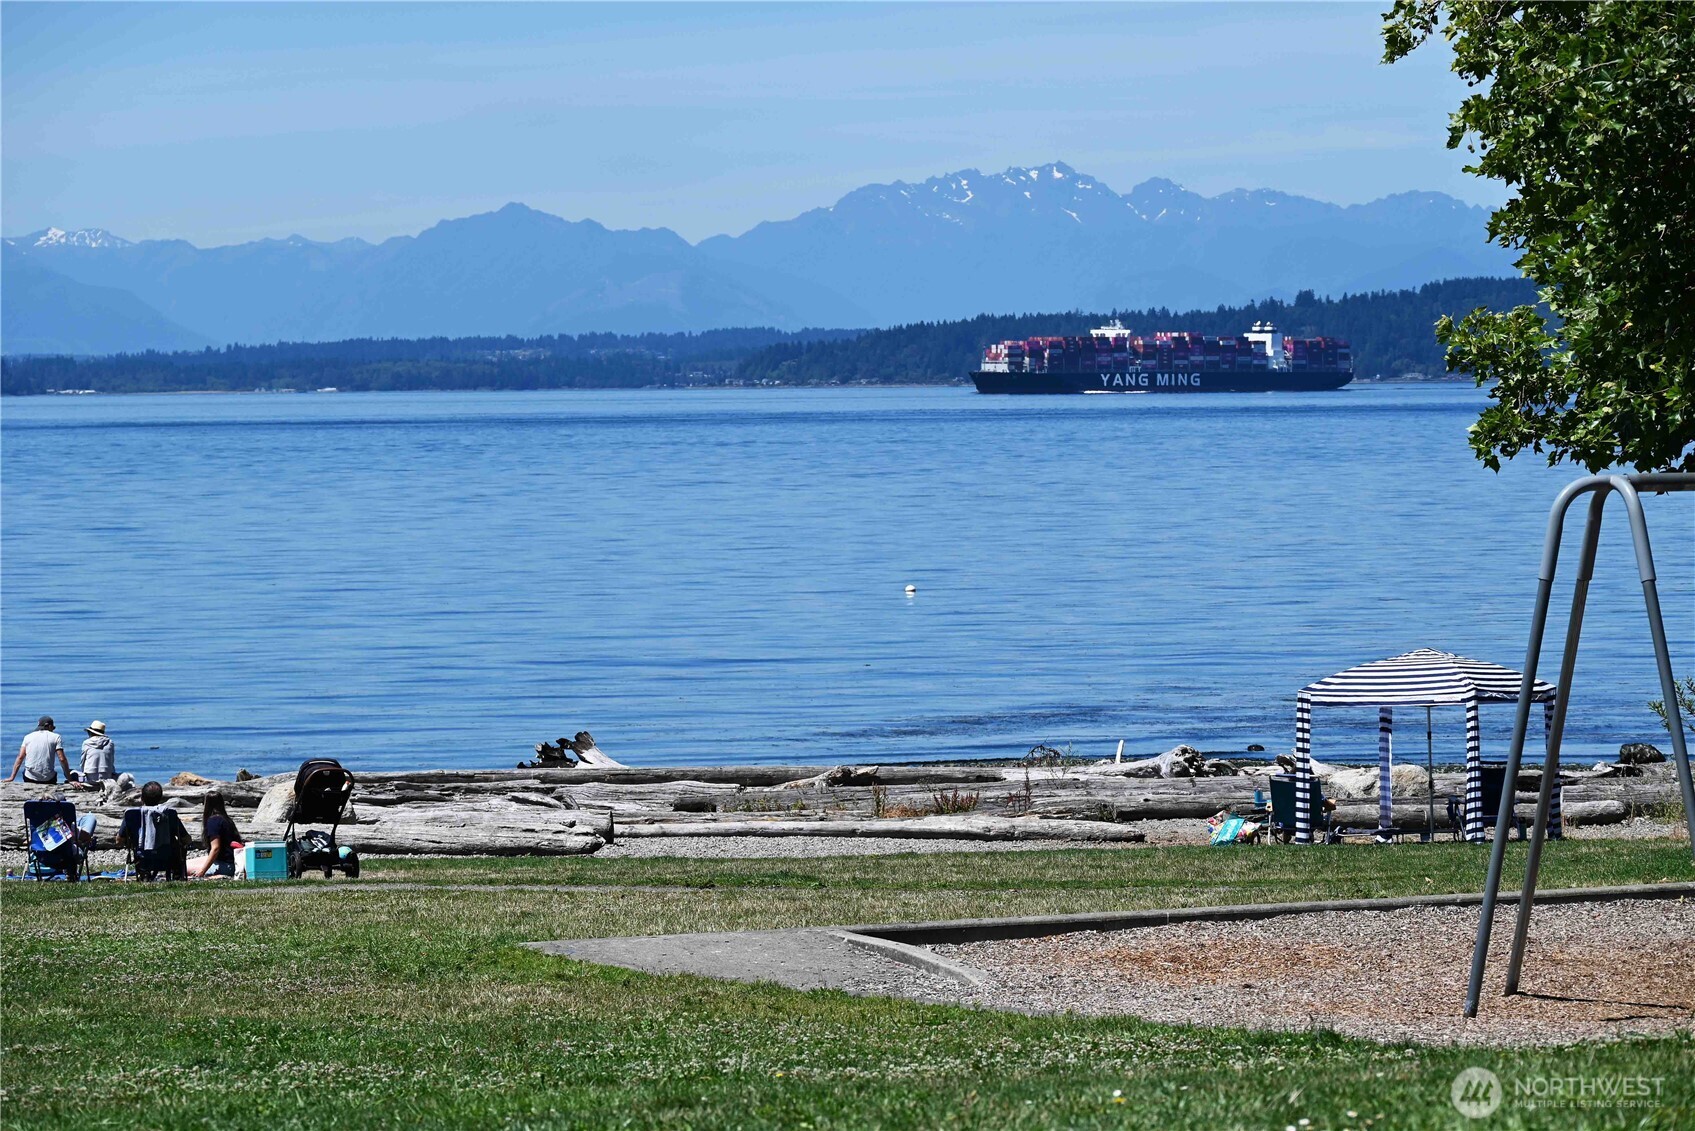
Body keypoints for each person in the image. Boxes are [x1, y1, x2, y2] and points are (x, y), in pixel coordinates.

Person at [188, 791, 242, 879]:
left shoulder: (213, 821)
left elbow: (215, 848)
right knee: (187, 863)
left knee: (185, 869)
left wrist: (202, 871)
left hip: (226, 866)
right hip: (233, 862)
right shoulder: (226, 819)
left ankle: (214, 876)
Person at [6, 716, 71, 784]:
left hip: (29, 778)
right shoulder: (56, 737)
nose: (53, 730)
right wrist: (70, 779)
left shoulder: (27, 737)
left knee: (26, 771)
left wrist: (12, 777)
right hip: (48, 778)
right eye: (53, 728)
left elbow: (20, 757)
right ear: (49, 726)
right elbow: (62, 759)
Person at [73, 720, 118, 787]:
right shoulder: (110, 743)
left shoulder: (86, 743)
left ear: (91, 733)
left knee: (72, 772)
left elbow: (82, 763)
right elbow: (111, 761)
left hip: (90, 779)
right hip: (107, 778)